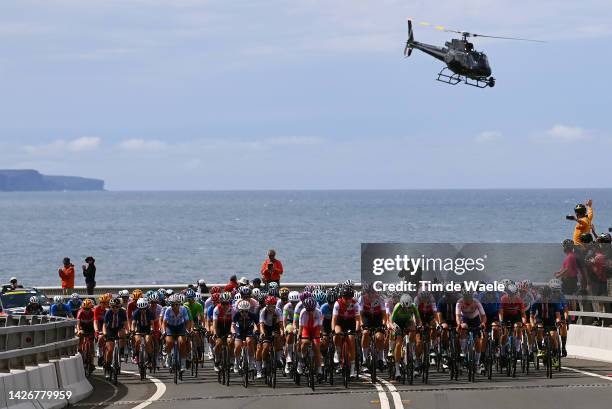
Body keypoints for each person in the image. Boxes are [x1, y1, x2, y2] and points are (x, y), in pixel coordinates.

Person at [103, 298, 129, 379]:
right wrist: (104, 333)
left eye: (117, 307)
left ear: (119, 306)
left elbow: (125, 323)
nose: (115, 309)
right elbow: (104, 325)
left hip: (119, 328)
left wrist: (128, 331)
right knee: (110, 349)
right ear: (110, 307)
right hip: (110, 329)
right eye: (113, 307)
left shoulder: (122, 312)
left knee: (123, 334)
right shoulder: (108, 312)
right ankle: (107, 368)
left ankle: (121, 351)